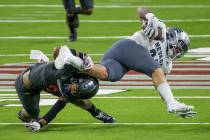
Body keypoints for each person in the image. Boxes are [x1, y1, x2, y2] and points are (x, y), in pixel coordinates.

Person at [55, 7, 196, 118]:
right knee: (155, 69)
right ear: (172, 37)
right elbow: (141, 9)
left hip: (123, 61)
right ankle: (172, 103)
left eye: (180, 51)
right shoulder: (161, 31)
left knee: (104, 74)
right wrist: (149, 18)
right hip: (127, 46)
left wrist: (170, 102)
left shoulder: (167, 65)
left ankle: (69, 56)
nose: (177, 52)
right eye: (177, 47)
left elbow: (158, 81)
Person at [16, 46, 115, 132]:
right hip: (26, 86)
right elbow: (59, 50)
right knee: (31, 114)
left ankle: (97, 113)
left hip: (47, 79)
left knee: (79, 100)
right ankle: (22, 114)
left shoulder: (71, 77)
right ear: (78, 80)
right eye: (77, 90)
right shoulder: (66, 71)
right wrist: (82, 55)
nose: (75, 92)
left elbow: (59, 106)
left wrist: (41, 124)